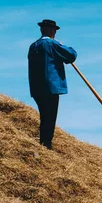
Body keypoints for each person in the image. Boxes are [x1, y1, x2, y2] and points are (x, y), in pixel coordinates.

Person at [28, 19, 77, 149]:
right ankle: (46, 144)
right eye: (54, 30)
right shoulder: (52, 44)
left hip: (36, 88)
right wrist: (61, 44)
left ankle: (44, 143)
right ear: (51, 30)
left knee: (44, 115)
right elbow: (71, 55)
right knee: (50, 117)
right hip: (51, 87)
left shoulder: (33, 46)